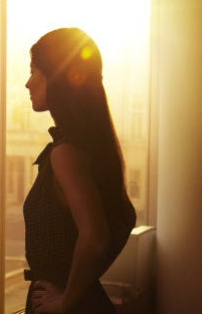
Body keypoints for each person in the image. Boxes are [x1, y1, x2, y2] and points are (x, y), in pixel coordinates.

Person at [22, 28, 137, 313]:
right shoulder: (84, 148)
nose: (27, 83)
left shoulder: (66, 154)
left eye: (34, 71)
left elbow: (96, 239)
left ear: (58, 77)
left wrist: (65, 302)